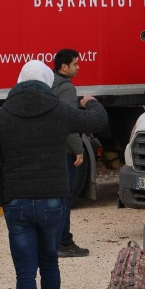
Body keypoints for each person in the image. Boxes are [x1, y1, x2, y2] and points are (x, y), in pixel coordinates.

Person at [0, 60, 108, 289]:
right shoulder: (59, 110)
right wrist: (92, 102)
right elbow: (95, 122)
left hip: (18, 200)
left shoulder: (2, 115)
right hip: (53, 198)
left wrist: (2, 197)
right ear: (47, 81)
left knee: (25, 270)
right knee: (49, 261)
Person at [52, 49, 90, 258]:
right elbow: (69, 120)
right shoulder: (66, 88)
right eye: (75, 64)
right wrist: (78, 149)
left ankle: (54, 240)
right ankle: (64, 242)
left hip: (51, 147)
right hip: (65, 150)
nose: (78, 67)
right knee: (65, 198)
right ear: (64, 67)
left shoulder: (49, 83)